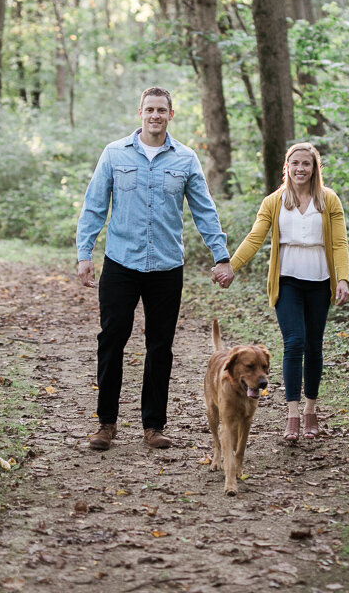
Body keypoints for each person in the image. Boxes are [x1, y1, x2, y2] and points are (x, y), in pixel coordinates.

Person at [76, 87, 235, 451]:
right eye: (149, 109)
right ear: (140, 112)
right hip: (121, 264)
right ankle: (106, 424)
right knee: (112, 341)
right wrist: (85, 254)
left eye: (161, 110)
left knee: (160, 346)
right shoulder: (115, 154)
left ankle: (154, 426)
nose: (155, 116)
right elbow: (94, 205)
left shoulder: (185, 158)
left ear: (171, 115)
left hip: (166, 267)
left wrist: (221, 255)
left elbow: (204, 210)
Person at [222, 142, 349, 443]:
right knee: (294, 342)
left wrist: (342, 279)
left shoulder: (328, 200)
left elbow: (339, 244)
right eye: (295, 163)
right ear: (287, 166)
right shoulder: (275, 201)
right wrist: (232, 266)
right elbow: (255, 238)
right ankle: (292, 414)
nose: (300, 169)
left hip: (320, 281)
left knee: (314, 346)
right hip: (287, 280)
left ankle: (311, 410)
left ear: (314, 168)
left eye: (306, 164)